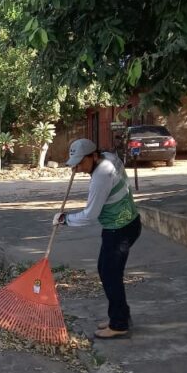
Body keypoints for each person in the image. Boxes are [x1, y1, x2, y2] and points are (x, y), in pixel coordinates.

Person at [53, 138, 141, 339]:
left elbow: (90, 214)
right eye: (75, 164)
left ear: (93, 156)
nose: (77, 168)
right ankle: (120, 316)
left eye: (80, 163)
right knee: (107, 271)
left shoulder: (101, 174)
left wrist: (65, 219)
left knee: (110, 274)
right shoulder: (108, 157)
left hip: (120, 229)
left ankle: (119, 324)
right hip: (124, 224)